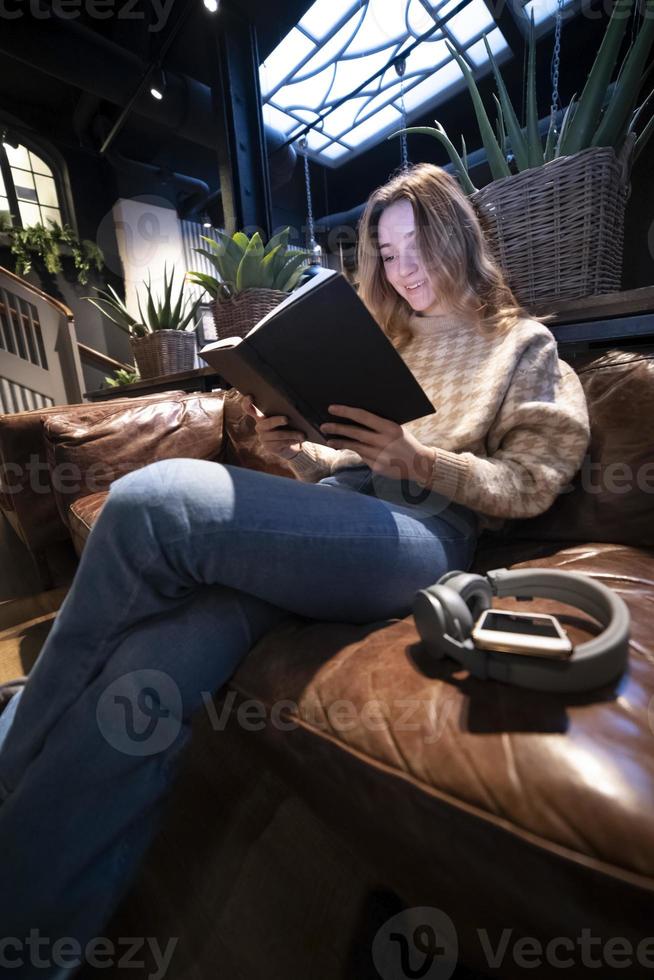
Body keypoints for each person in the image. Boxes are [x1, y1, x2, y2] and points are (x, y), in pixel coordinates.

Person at [0, 162, 589, 977]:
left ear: (460, 237)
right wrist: (296, 438)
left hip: (426, 532)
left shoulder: (523, 344)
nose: (400, 268)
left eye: (415, 245)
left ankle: (15, 743)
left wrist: (424, 462)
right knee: (150, 673)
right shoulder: (390, 339)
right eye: (384, 252)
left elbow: (531, 480)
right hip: (346, 515)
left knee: (152, 501)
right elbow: (344, 457)